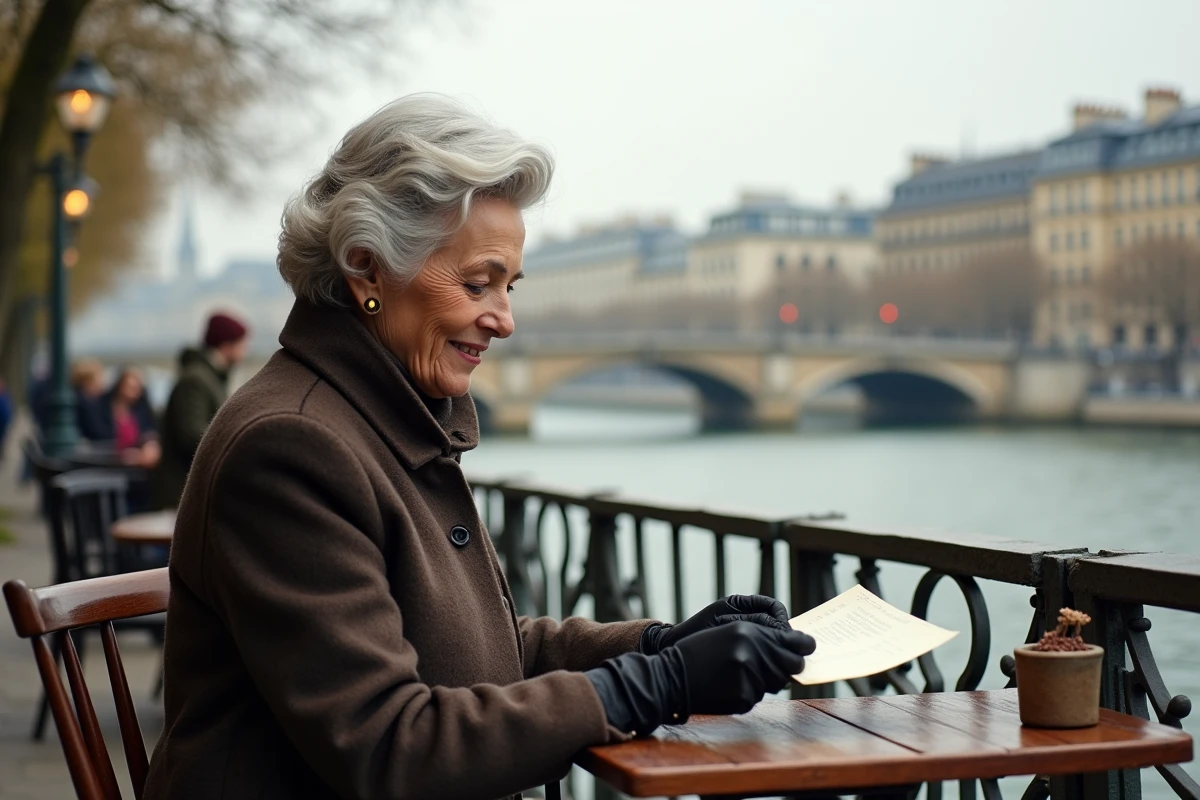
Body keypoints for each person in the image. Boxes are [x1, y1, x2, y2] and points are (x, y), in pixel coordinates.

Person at [144, 95, 815, 800]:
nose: (505, 320)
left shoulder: (375, 417)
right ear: (368, 269)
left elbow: (479, 654)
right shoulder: (292, 446)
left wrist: (656, 646)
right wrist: (657, 686)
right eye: (477, 283)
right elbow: (389, 746)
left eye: (509, 285)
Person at [153, 311, 248, 508]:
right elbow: (191, 435)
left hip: (192, 490)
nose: (246, 350)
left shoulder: (208, 378)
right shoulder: (196, 380)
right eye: (242, 343)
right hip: (182, 493)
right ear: (226, 344)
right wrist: (237, 444)